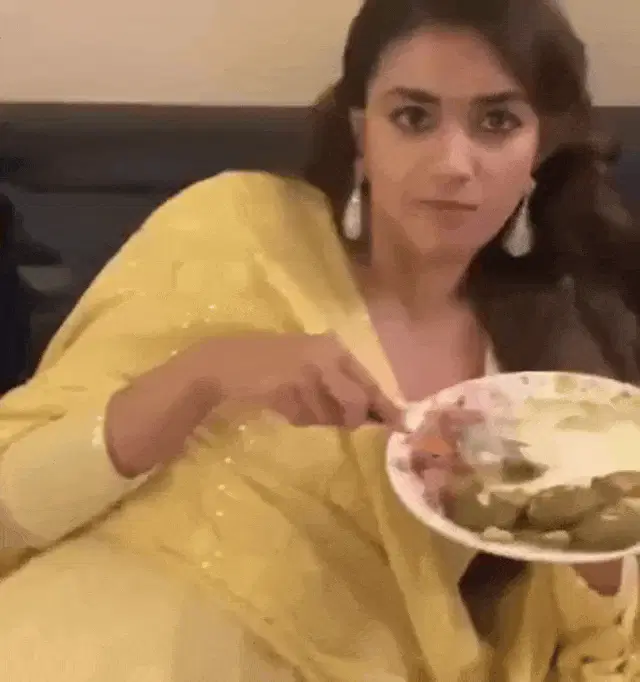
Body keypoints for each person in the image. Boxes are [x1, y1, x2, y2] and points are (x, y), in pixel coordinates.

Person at [0, 0, 639, 679]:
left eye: (497, 122)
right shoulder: (235, 229)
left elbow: (601, 655)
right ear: (362, 133)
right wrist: (206, 374)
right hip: (77, 633)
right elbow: (13, 502)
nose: (453, 163)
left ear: (539, 148)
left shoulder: (550, 379)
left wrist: (589, 521)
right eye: (413, 117)